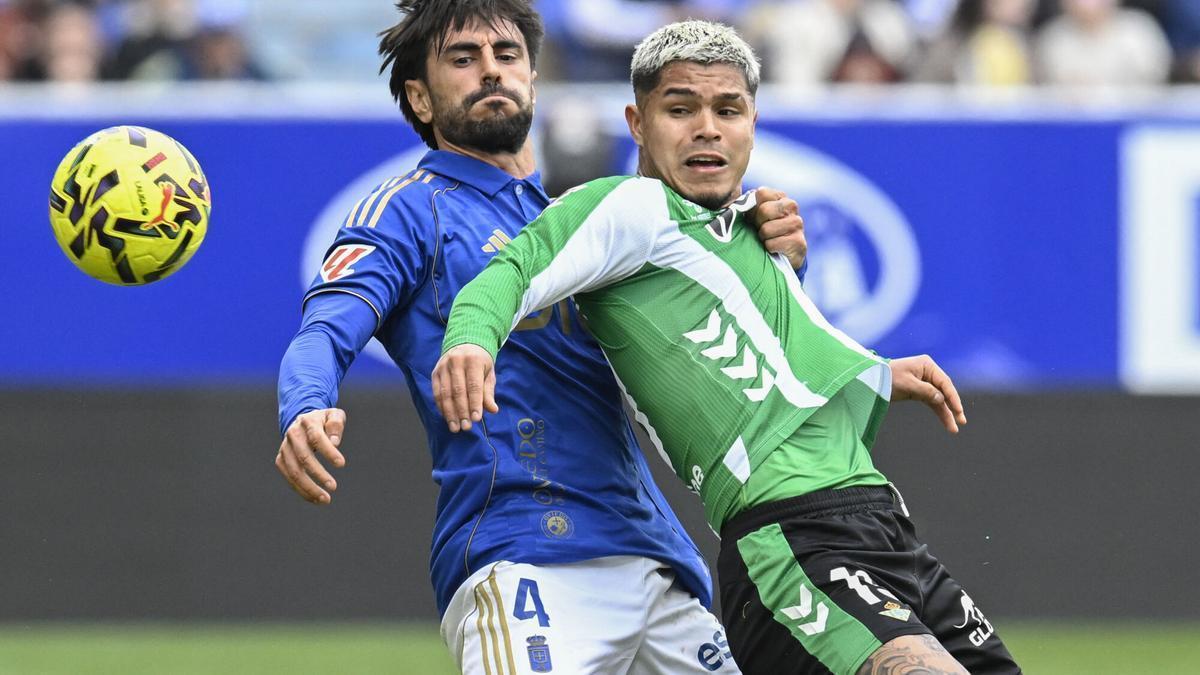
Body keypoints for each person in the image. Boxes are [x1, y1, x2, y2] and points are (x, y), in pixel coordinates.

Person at [433, 20, 1022, 675]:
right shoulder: (628, 209)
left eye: (727, 109)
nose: (706, 127)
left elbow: (756, 358)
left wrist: (875, 369)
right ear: (637, 122)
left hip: (882, 525)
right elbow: (511, 270)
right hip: (790, 537)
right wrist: (469, 341)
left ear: (752, 121)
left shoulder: (749, 229)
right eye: (680, 108)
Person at [275, 1, 808, 673]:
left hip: (659, 567)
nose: (491, 72)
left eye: (507, 56)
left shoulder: (581, 221)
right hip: (527, 558)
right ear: (420, 96)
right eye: (463, 59)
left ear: (532, 75)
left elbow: (720, 337)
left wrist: (781, 260)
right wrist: (305, 404)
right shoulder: (407, 210)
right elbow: (325, 328)